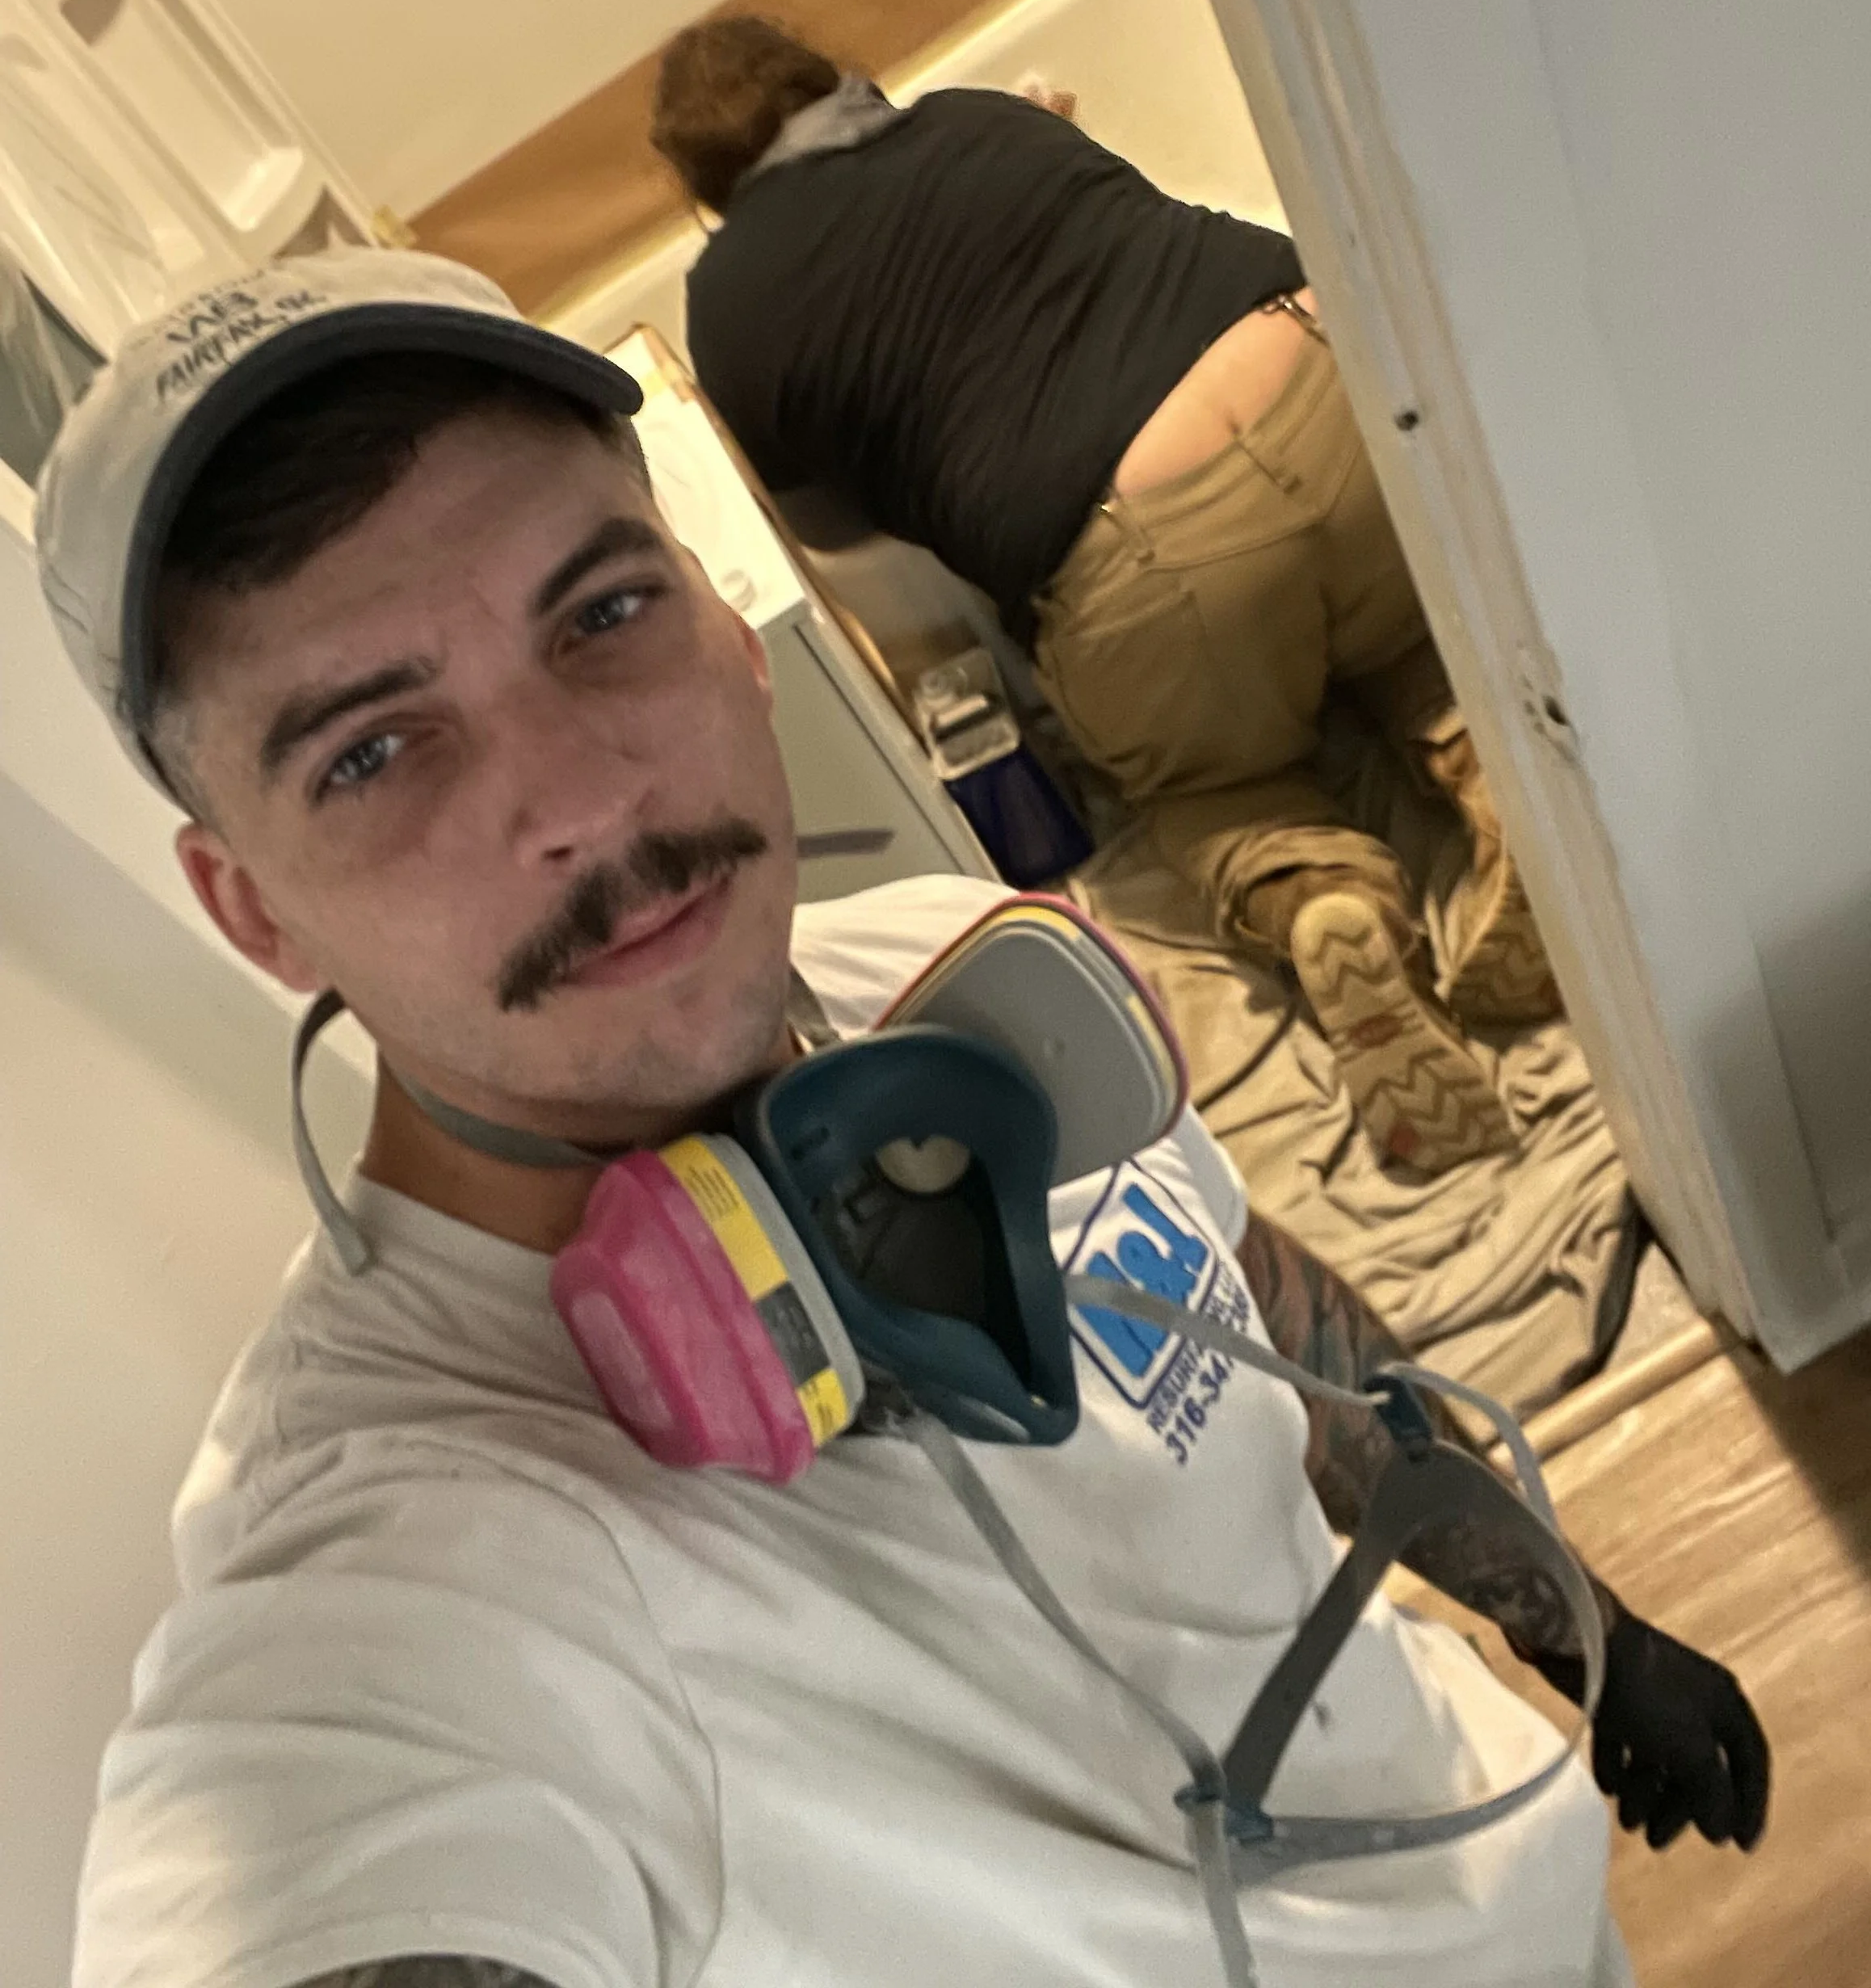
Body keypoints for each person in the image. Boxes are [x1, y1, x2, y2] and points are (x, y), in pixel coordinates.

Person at [41, 250, 1768, 1988]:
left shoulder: (958, 971)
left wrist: (1587, 1624)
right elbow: (318, 1845)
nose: (580, 791)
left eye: (601, 613)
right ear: (250, 910)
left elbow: (1269, 1332)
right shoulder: (405, 1566)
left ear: (733, 627)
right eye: (370, 749)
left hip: (1514, 1881)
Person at [653, 18, 1552, 1175]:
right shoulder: (983, 114)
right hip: (1334, 387)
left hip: (1149, 559)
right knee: (1423, 633)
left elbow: (835, 533)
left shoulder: (726, 309)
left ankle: (1319, 898)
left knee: (1214, 784)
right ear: (831, 77)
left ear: (704, 188)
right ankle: (1494, 776)